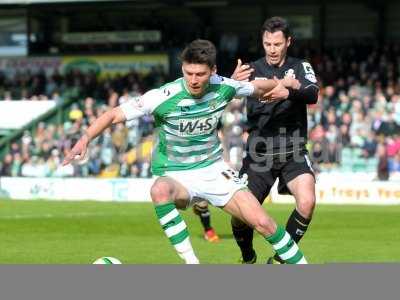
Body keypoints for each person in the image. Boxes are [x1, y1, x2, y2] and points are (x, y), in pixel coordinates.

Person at [63, 39, 307, 264]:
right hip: (176, 175)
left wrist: (283, 83)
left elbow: (255, 87)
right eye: (188, 73)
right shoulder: (162, 96)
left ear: (212, 71)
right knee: (159, 190)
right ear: (182, 70)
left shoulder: (223, 87)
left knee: (263, 223)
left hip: (214, 171)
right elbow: (113, 114)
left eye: (200, 74)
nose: (193, 80)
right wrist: (85, 138)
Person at [231, 17, 319, 264]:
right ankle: (248, 256)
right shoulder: (249, 70)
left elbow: (312, 93)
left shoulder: (301, 66)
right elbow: (225, 96)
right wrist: (230, 82)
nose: (271, 49)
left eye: (277, 43)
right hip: (259, 154)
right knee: (239, 215)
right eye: (267, 43)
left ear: (288, 42)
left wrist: (289, 91)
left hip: (293, 150)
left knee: (307, 201)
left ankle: (280, 260)